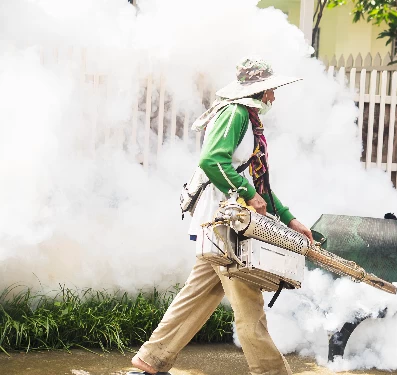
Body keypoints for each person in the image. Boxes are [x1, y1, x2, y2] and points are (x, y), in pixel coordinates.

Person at [129, 58, 313, 375]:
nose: (273, 96)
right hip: (227, 224)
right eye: (270, 89)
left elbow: (258, 181)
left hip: (225, 224)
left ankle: (151, 359)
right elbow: (213, 161)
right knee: (249, 304)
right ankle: (271, 372)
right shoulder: (236, 113)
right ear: (259, 90)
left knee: (199, 295)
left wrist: (288, 218)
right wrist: (249, 194)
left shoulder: (246, 117)